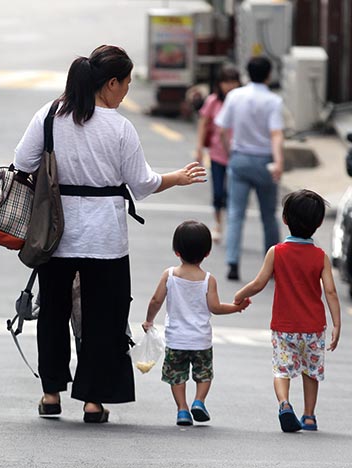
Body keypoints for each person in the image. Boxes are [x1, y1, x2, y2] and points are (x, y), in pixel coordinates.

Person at [14, 45, 207, 423]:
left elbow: (22, 162)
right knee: (104, 318)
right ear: (110, 83)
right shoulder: (119, 128)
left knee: (53, 311)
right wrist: (178, 178)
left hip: (55, 235)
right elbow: (142, 183)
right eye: (127, 84)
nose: (127, 92)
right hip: (105, 238)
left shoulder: (50, 115)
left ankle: (51, 394)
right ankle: (92, 401)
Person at [233, 190, 341, 432]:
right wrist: (337, 323)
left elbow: (259, 283)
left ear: (284, 218)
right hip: (313, 328)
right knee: (310, 372)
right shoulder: (320, 257)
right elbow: (331, 292)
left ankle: (284, 404)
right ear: (319, 223)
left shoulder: (276, 252)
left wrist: (241, 295)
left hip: (284, 327)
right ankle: (310, 416)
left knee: (282, 370)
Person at [142, 220, 250, 426]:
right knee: (204, 374)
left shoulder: (170, 275)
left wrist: (149, 320)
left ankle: (182, 409)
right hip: (201, 339)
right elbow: (215, 307)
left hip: (176, 340)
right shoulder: (208, 280)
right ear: (207, 252)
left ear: (176, 251)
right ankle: (199, 401)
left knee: (177, 376)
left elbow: (156, 300)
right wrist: (236, 307)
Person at [214, 56, 284, 280]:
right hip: (264, 160)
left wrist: (229, 152)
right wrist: (279, 162)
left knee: (235, 214)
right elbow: (276, 134)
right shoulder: (273, 101)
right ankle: (272, 263)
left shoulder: (235, 96)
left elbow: (223, 129)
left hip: (240, 158)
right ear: (268, 75)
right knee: (268, 215)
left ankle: (233, 263)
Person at [195, 64, 241, 243]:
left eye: (233, 82)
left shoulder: (240, 101)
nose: (229, 86)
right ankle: (218, 224)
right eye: (225, 82)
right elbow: (203, 123)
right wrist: (199, 147)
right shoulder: (213, 101)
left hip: (237, 153)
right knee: (218, 192)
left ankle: (232, 225)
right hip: (217, 154)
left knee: (233, 193)